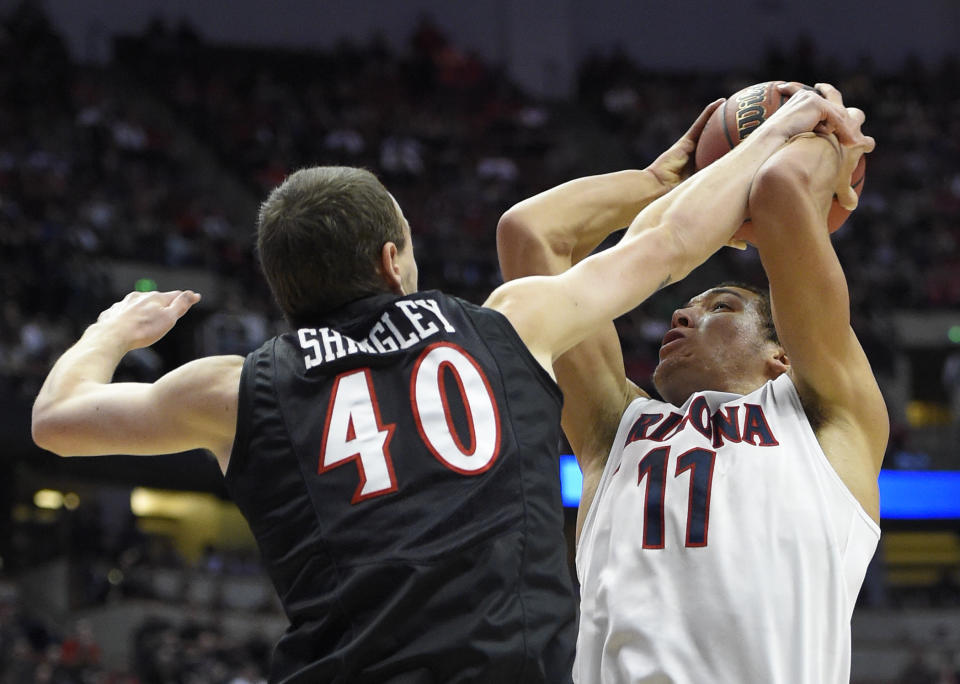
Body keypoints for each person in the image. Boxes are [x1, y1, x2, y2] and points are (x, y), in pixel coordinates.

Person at [31, 85, 864, 683]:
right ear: (394, 261)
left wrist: (112, 330)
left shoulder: (239, 386)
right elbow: (666, 244)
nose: (680, 317)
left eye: (715, 306)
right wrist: (785, 133)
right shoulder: (503, 334)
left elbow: (58, 419)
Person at [497, 82, 882, 684]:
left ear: (783, 355)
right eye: (686, 308)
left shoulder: (828, 420)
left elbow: (781, 192)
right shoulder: (615, 429)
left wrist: (830, 139)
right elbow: (530, 233)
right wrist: (658, 184)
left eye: (720, 307)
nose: (681, 315)